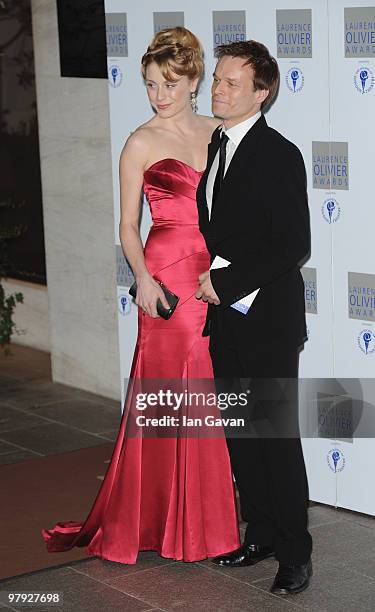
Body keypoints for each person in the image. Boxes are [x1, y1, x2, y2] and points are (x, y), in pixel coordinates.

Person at [42, 27, 239, 564]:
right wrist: (144, 280)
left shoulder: (221, 131)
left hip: (217, 272)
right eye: (151, 84)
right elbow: (129, 225)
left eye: (170, 84)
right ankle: (157, 520)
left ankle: (201, 524)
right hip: (167, 279)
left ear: (194, 80)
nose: (159, 96)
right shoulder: (141, 141)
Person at [195, 40, 313, 594]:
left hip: (266, 319)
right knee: (243, 433)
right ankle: (262, 532)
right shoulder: (218, 145)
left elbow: (293, 244)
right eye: (216, 80)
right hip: (226, 319)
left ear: (261, 94)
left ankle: (296, 552)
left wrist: (226, 281)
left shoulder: (279, 153)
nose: (217, 89)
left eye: (231, 83)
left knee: (275, 437)